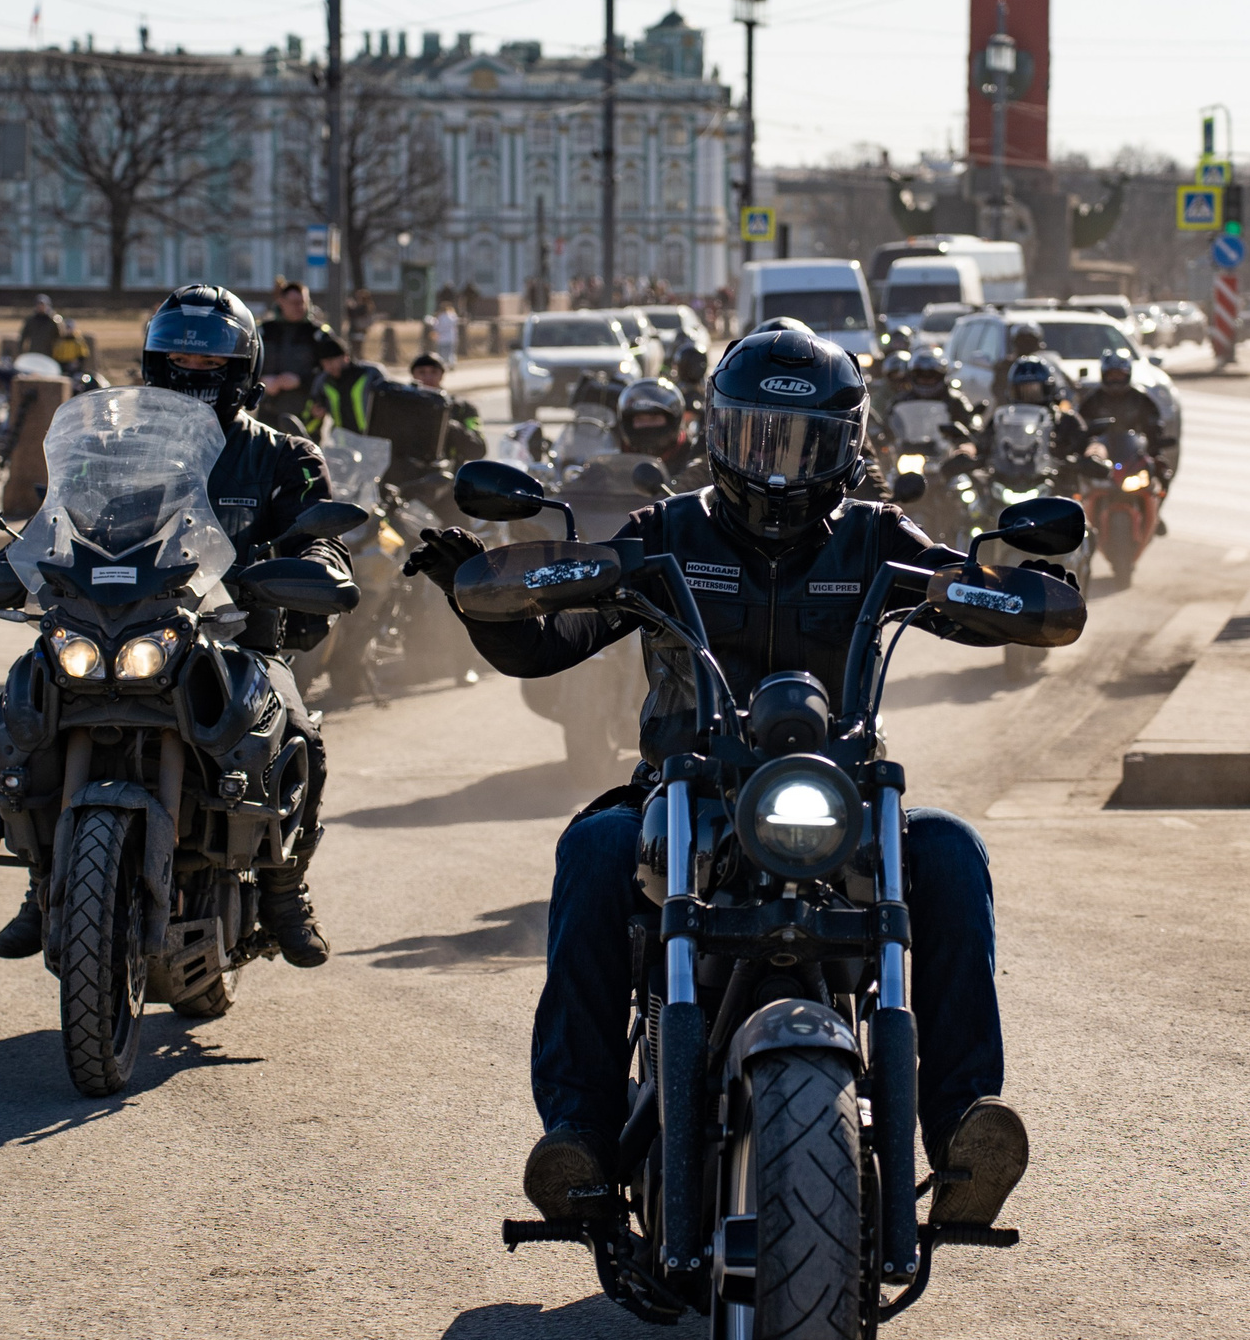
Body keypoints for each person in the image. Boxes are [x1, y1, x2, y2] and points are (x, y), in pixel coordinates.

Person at [403, 325, 1034, 1231]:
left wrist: (1020, 587)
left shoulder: (874, 537)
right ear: (716, 433)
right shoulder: (667, 530)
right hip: (684, 792)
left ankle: (965, 1124)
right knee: (593, 845)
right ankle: (578, 1132)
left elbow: (968, 602)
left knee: (948, 850)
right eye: (754, 439)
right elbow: (554, 641)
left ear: (847, 446)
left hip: (839, 800)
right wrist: (481, 597)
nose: (776, 469)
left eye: (804, 442)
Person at [0, 285, 348, 969]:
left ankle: (282, 889)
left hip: (237, 634)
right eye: (178, 353)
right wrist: (20, 557)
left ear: (241, 369)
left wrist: (318, 562)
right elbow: (62, 512)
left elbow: (317, 532)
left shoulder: (283, 454)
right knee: (23, 706)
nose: (191, 368)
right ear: (155, 360)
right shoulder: (111, 444)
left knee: (300, 733)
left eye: (209, 359)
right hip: (121, 622)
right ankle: (42, 884)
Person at [977, 355, 1095, 492]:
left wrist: (1094, 454)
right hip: (1007, 485)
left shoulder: (1064, 419)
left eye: (1034, 390)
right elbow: (980, 442)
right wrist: (966, 451)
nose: (1028, 396)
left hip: (1055, 488)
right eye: (1022, 390)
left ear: (1047, 388)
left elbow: (1089, 443)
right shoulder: (1002, 419)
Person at [1074, 352, 1174, 486]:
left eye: (1119, 375)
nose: (1115, 379)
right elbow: (1080, 427)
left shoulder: (1140, 398)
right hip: (1101, 456)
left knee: (1161, 470)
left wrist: (1155, 443)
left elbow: (1154, 425)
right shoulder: (1093, 399)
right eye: (1111, 375)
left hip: (1133, 455)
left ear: (1128, 375)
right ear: (1104, 375)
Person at [258, 280, 344, 432]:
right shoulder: (264, 332)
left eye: (303, 302)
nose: (300, 307)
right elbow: (245, 368)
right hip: (267, 414)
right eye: (294, 303)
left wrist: (301, 381)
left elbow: (336, 372)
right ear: (281, 302)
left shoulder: (319, 335)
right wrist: (261, 381)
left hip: (306, 416)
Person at [612, 375, 704, 488]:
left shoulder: (692, 457)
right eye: (640, 419)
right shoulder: (614, 451)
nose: (646, 425)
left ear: (672, 420)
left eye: (654, 418)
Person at [305, 333, 390, 438]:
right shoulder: (323, 382)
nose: (328, 367)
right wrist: (315, 416)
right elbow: (309, 422)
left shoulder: (370, 374)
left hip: (373, 443)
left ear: (345, 357)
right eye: (324, 363)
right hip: (343, 446)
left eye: (331, 361)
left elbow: (389, 408)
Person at [408, 351, 487, 463]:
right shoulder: (402, 406)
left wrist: (446, 424)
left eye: (434, 372)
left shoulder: (462, 408)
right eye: (422, 372)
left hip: (447, 475)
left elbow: (478, 449)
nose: (428, 377)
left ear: (442, 375)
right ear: (413, 375)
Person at [432, 296, 461, 369]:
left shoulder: (439, 317)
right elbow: (456, 323)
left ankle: (442, 364)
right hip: (451, 337)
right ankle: (451, 364)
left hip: (441, 337)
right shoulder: (452, 316)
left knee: (441, 352)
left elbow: (436, 326)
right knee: (450, 352)